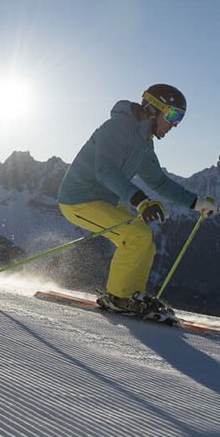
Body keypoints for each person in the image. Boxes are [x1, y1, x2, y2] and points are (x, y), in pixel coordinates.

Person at [57, 84, 216, 320]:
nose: (175, 124)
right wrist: (140, 200)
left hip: (103, 200)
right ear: (154, 109)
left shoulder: (144, 141)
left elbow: (158, 181)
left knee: (145, 240)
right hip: (79, 199)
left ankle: (133, 295)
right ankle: (118, 298)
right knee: (135, 236)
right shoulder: (118, 127)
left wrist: (194, 202)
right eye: (173, 115)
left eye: (179, 117)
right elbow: (105, 170)